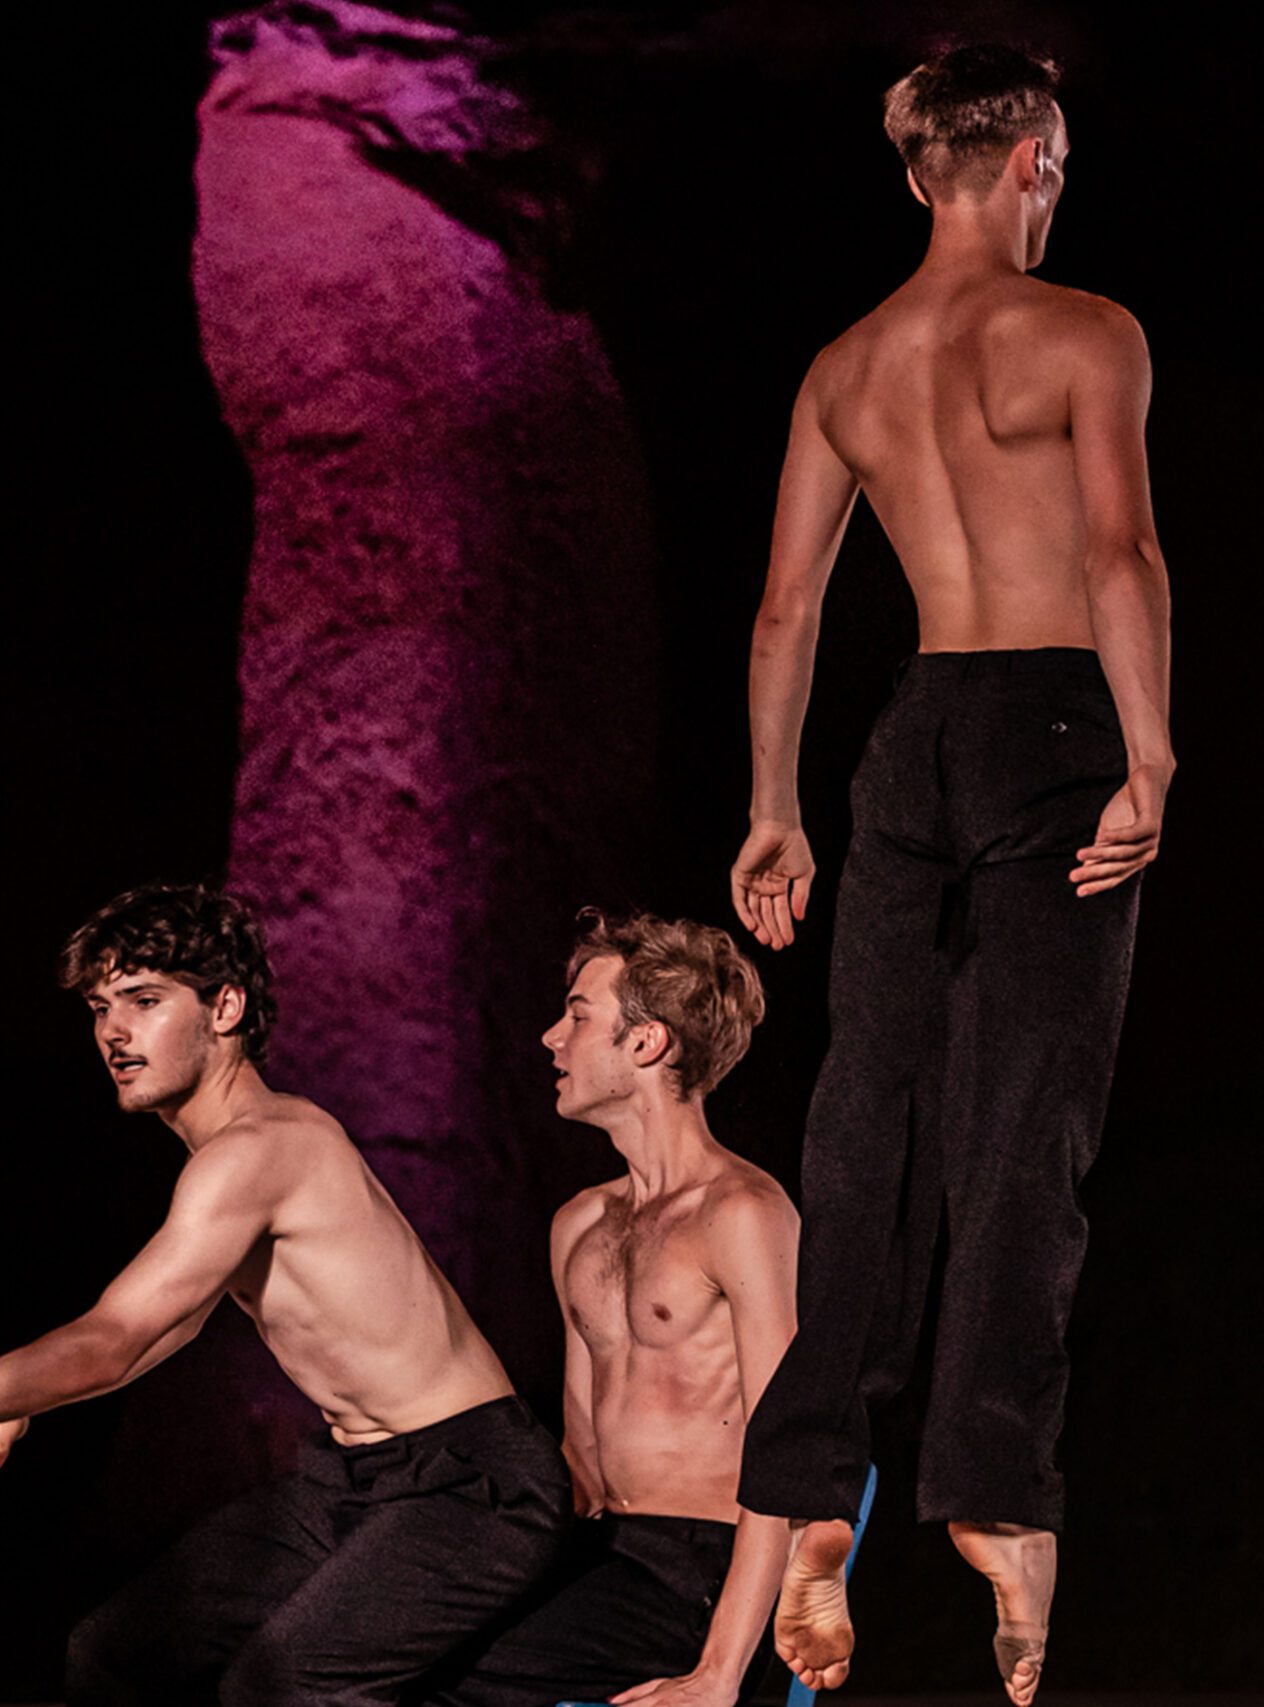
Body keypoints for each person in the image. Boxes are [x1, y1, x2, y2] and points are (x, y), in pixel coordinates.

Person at [725, 45, 1172, 1706]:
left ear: (919, 173)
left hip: (908, 731)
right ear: (1035, 163)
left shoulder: (847, 364)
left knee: (868, 1114)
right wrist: (1153, 751)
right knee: (1024, 1112)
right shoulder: (1086, 331)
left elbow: (787, 607)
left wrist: (774, 807)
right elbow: (1121, 550)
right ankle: (993, 1488)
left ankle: (810, 1487)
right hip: (1051, 717)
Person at [0, 883, 569, 1707]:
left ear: (225, 1007)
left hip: (471, 1484)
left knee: (276, 1684)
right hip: (358, 1476)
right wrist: (23, 1395)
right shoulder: (234, 1155)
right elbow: (167, 1325)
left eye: (145, 1000)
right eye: (101, 1007)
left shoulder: (262, 1148)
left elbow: (113, 1340)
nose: (114, 1031)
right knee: (116, 1653)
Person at [413, 912, 795, 1707]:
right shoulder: (579, 1224)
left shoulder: (742, 1213)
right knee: (376, 1636)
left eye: (578, 1016)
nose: (551, 1037)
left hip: (702, 1569)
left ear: (648, 1042)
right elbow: (581, 1456)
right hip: (600, 1552)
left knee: (447, 1681)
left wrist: (719, 1673)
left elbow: (788, 1454)